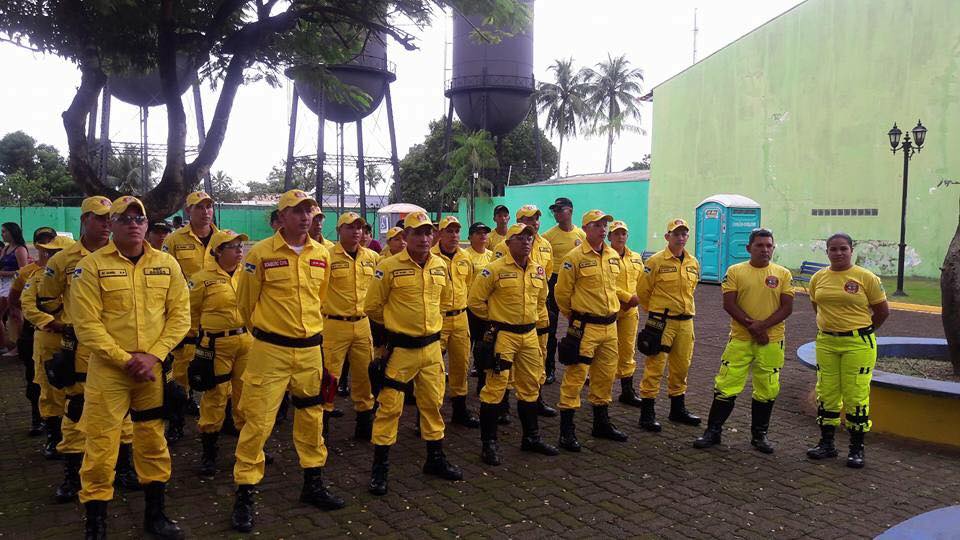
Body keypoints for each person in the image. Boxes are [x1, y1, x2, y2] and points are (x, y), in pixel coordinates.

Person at [72, 195, 190, 539]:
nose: (135, 224)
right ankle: (95, 523)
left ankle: (156, 516)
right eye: (125, 219)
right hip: (110, 372)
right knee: (101, 447)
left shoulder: (166, 264)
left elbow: (180, 316)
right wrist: (127, 360)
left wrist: (153, 356)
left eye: (140, 219)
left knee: (153, 441)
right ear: (112, 225)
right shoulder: (91, 266)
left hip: (151, 370)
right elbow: (86, 324)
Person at [231, 189, 343, 533]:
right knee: (258, 422)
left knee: (311, 417)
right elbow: (246, 303)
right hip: (270, 351)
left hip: (310, 351)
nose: (304, 216)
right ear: (281, 218)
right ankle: (245, 495)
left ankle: (313, 484)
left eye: (309, 210)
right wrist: (271, 333)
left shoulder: (322, 253)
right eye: (296, 211)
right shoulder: (261, 253)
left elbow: (319, 299)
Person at [38, 196, 139, 502]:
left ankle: (123, 468)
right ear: (84, 220)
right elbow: (46, 300)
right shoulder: (63, 260)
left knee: (123, 413)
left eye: (112, 217)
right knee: (77, 410)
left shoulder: (126, 256)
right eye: (100, 217)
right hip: (81, 350)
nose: (107, 223)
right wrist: (69, 324)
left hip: (118, 349)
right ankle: (72, 475)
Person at [365, 210, 462, 496]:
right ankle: (379, 469)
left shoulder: (440, 266)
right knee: (390, 408)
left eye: (428, 232)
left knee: (433, 403)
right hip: (401, 351)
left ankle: (435, 460)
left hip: (432, 348)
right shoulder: (389, 266)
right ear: (405, 236)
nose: (424, 238)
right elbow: (372, 306)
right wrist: (395, 328)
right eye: (417, 233)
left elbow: (444, 302)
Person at [693, 228, 794, 452]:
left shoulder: (783, 274)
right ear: (749, 248)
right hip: (740, 339)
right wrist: (755, 328)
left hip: (772, 341)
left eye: (769, 245)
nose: (765, 249)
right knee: (726, 386)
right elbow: (729, 304)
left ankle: (760, 436)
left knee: (767, 389)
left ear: (773, 247)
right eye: (759, 245)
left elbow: (787, 307)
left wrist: (763, 327)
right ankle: (713, 432)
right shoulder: (735, 271)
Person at [468, 222, 558, 465]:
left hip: (529, 335)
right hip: (503, 336)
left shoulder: (538, 270)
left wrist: (535, 324)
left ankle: (531, 437)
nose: (526, 241)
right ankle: (489, 444)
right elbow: (475, 301)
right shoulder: (493, 270)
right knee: (495, 388)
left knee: (530, 386)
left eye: (529, 237)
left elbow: (542, 301)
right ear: (507, 243)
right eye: (520, 238)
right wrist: (495, 319)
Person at [806, 233, 889, 468]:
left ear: (852, 250)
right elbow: (817, 306)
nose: (838, 253)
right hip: (827, 342)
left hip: (858, 344)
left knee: (855, 395)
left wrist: (864, 330)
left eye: (843, 248)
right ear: (827, 252)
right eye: (833, 249)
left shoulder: (866, 278)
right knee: (827, 392)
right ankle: (827, 444)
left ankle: (856, 448)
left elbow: (882, 311)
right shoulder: (818, 278)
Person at [554, 209, 630, 452]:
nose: (603, 229)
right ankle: (566, 430)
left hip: (610, 327)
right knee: (576, 376)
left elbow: (613, 288)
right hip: (585, 327)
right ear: (586, 229)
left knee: (605, 375)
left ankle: (601, 423)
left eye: (604, 224)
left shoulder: (611, 255)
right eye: (597, 225)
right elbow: (562, 294)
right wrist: (576, 317)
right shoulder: (573, 258)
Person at [187, 229, 252, 479]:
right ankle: (209, 452)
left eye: (239, 246)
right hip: (215, 345)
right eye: (232, 247)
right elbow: (189, 311)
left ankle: (247, 449)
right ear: (217, 251)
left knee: (245, 395)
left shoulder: (247, 274)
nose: (238, 251)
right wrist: (195, 341)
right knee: (215, 396)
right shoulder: (201, 279)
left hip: (246, 341)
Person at [162, 190, 219, 441]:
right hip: (185, 317)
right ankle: (176, 423)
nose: (205, 211)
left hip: (217, 315)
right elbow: (164, 277)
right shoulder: (174, 240)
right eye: (199, 207)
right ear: (188, 211)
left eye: (209, 207)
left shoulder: (223, 239)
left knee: (217, 372)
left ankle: (216, 420)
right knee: (181, 372)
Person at [635, 218, 702, 431]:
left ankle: (677, 409)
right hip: (661, 322)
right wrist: (654, 312)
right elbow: (642, 291)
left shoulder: (693, 262)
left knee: (681, 367)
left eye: (684, 234)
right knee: (655, 367)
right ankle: (647, 413)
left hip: (685, 322)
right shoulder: (655, 262)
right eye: (676, 234)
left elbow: (692, 290)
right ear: (667, 237)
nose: (681, 238)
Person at [491, 205, 556, 420]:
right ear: (519, 221)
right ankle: (504, 402)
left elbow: (544, 277)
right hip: (511, 313)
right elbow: (497, 278)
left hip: (537, 309)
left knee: (540, 354)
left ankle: (536, 398)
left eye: (536, 218)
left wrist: (539, 309)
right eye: (528, 219)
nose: (534, 223)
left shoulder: (546, 245)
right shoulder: (504, 246)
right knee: (507, 361)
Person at [321, 212, 378, 440]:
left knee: (365, 375)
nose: (356, 231)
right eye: (350, 227)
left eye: (360, 227)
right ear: (338, 231)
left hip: (362, 325)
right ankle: (321, 422)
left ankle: (364, 423)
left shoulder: (372, 258)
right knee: (329, 376)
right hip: (334, 325)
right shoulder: (326, 256)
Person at [21, 232, 71, 455]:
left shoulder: (84, 274)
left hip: (79, 341)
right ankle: (54, 437)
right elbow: (27, 306)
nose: (50, 255)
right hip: (49, 339)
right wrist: (50, 322)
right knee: (49, 390)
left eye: (56, 252)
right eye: (48, 251)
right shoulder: (37, 278)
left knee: (78, 390)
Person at [10, 226, 58, 435]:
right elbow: (15, 299)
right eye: (43, 242)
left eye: (50, 241)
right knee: (35, 379)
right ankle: (38, 419)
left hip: (64, 335)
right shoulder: (27, 273)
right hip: (35, 332)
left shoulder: (70, 270)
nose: (47, 247)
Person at [432, 216, 479, 428]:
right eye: (449, 231)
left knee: (461, 365)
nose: (453, 236)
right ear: (439, 234)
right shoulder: (430, 257)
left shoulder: (465, 257)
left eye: (456, 231)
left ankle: (460, 411)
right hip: (437, 320)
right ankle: (428, 413)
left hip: (460, 318)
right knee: (433, 368)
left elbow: (468, 284)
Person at [542, 197, 586, 384]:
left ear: (570, 211)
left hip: (575, 284)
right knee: (550, 327)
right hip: (554, 281)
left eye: (561, 209)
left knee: (577, 326)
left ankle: (578, 367)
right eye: (555, 210)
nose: (557, 213)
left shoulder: (581, 235)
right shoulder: (548, 236)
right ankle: (549, 368)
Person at [607, 220, 645, 407]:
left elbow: (642, 281)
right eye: (616, 234)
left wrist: (637, 298)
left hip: (631, 310)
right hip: (612, 308)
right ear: (610, 237)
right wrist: (626, 297)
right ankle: (603, 390)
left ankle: (627, 390)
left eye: (623, 233)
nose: (620, 237)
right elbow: (606, 283)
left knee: (628, 349)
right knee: (607, 351)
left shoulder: (636, 257)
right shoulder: (605, 257)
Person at [464, 222, 494, 376]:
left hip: (488, 305)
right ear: (470, 237)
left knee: (485, 341)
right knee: (469, 341)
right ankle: (463, 369)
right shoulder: (465, 255)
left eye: (485, 233)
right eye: (478, 233)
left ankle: (481, 369)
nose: (483, 236)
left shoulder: (492, 255)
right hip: (470, 305)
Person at [0, 222, 30, 357]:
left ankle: (17, 346)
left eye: (4, 231)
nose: (2, 234)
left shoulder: (20, 249)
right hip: (3, 284)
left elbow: (23, 271)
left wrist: (4, 274)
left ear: (12, 232)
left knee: (16, 316)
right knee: (13, 316)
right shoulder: (5, 249)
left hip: (14, 284)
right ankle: (11, 344)